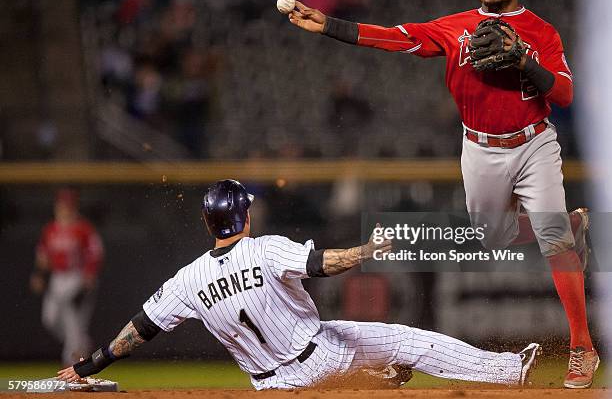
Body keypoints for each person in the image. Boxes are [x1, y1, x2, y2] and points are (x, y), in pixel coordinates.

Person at [286, 0, 597, 389]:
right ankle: (567, 226)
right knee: (492, 236)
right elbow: (395, 36)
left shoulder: (540, 32)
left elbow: (564, 95)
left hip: (534, 143)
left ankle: (582, 347)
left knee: (553, 240)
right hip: (479, 147)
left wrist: (525, 61)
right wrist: (329, 25)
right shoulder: (455, 28)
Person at [57, 179, 540, 390]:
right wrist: (366, 251)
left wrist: (89, 364)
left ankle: (370, 382)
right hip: (320, 356)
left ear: (209, 224)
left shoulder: (187, 279)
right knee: (405, 341)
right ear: (244, 213)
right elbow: (322, 263)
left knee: (372, 361)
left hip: (270, 385)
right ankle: (506, 372)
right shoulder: (264, 248)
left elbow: (138, 329)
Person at [31, 188, 104, 365]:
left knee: (72, 322)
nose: (64, 208)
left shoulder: (83, 228)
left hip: (76, 278)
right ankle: (81, 343)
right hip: (57, 278)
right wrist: (39, 275)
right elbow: (43, 256)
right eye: (61, 205)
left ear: (74, 207)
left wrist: (89, 275)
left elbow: (96, 252)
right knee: (50, 318)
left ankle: (71, 363)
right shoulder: (50, 229)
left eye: (68, 205)